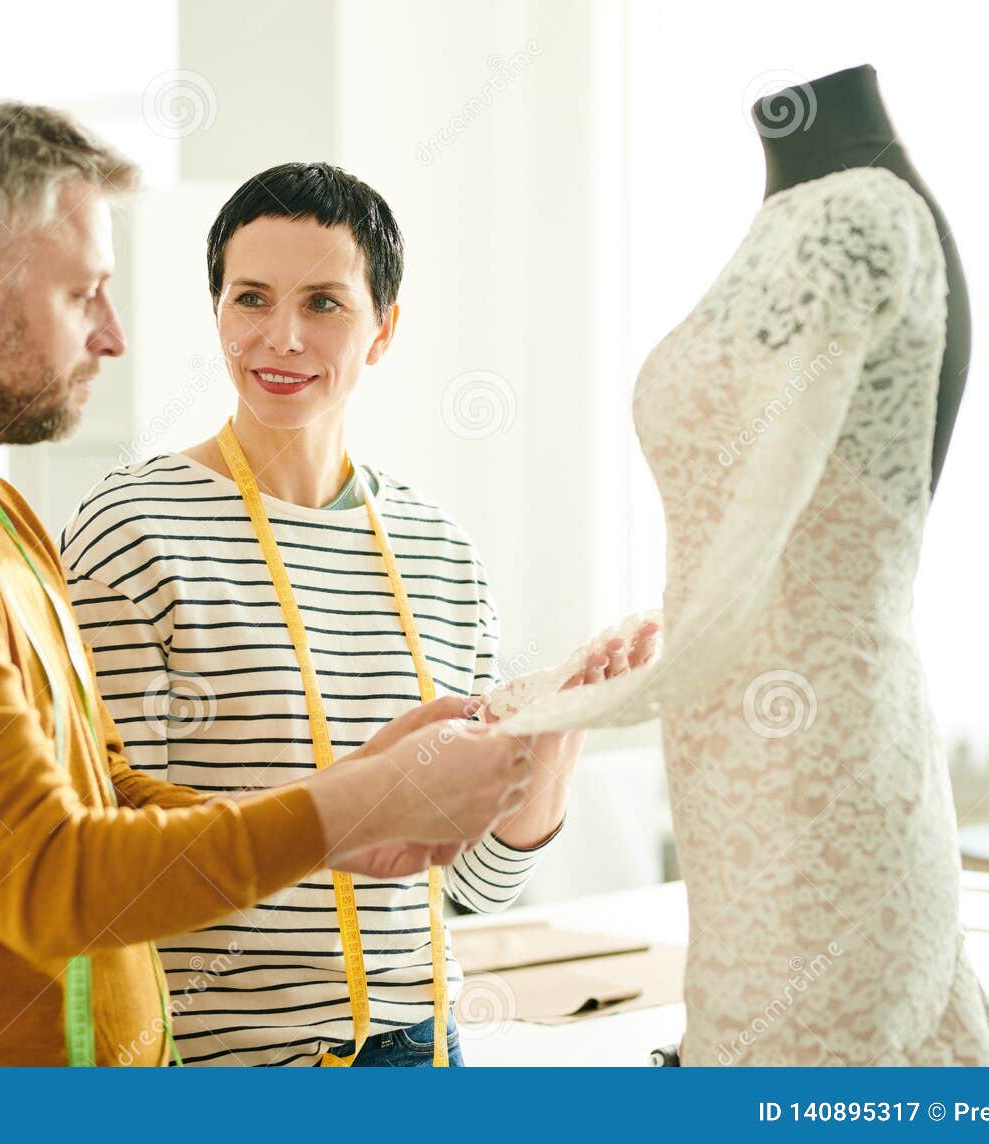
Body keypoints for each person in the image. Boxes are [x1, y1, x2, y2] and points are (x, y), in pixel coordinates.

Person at [0, 103, 534, 1067]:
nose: (113, 336)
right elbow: (46, 874)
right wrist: (352, 809)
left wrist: (357, 797)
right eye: (84, 295)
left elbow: (105, 795)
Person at [61, 162, 657, 1066]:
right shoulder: (133, 529)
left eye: (325, 303)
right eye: (251, 298)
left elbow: (477, 884)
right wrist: (338, 812)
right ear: (217, 313)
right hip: (230, 1065)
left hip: (425, 1051)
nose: (282, 337)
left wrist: (558, 724)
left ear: (383, 330)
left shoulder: (440, 551)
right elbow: (108, 856)